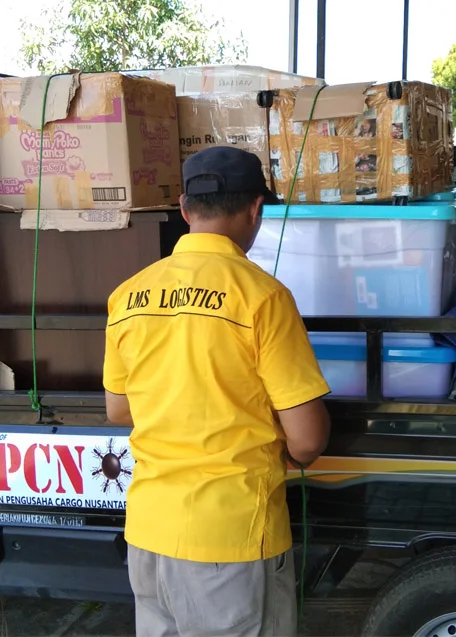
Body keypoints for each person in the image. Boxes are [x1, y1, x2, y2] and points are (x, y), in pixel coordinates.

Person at [103, 146, 331, 637]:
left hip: (148, 535)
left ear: (184, 209)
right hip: (231, 542)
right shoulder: (263, 297)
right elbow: (308, 439)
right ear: (256, 209)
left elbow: (119, 410)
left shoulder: (128, 295)